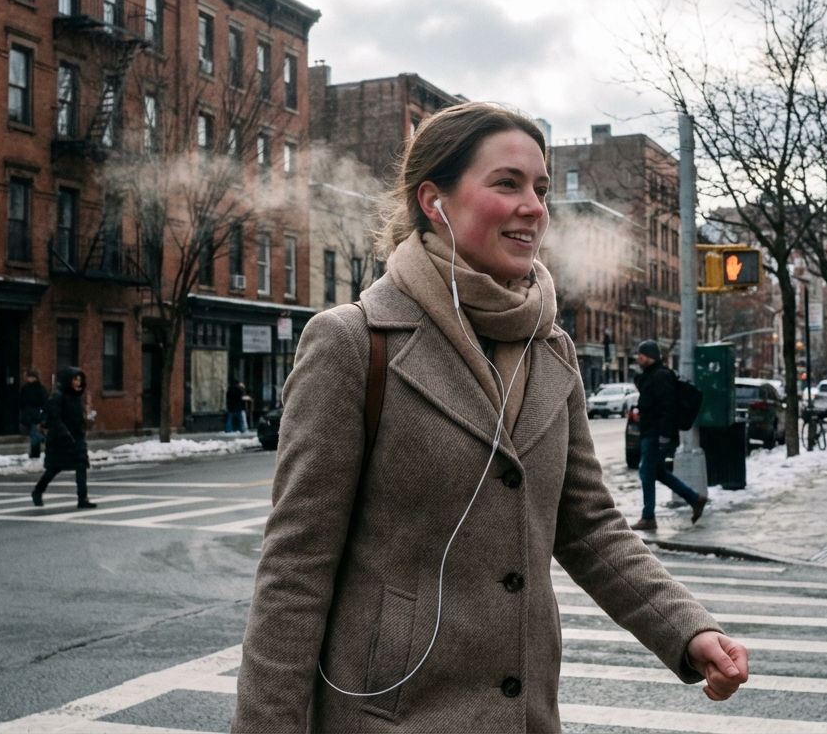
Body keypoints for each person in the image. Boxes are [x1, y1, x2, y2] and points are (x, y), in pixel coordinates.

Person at [232, 103, 747, 732]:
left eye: (540, 189)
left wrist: (686, 628)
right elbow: (295, 571)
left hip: (525, 716)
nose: (533, 206)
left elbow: (588, 526)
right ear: (434, 201)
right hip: (389, 718)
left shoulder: (549, 347)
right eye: (506, 184)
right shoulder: (352, 342)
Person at [632, 339, 707, 530]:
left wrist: (664, 436)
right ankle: (694, 498)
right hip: (651, 432)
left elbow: (667, 408)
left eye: (641, 355)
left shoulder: (661, 376)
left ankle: (648, 517)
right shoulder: (650, 376)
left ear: (651, 357)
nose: (638, 358)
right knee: (657, 471)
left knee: (646, 472)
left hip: (656, 434)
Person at [30, 367, 96, 509]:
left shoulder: (77, 396)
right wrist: (64, 433)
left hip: (76, 437)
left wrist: (86, 422)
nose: (78, 383)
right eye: (75, 379)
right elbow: (55, 417)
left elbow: (76, 417)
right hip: (60, 439)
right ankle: (38, 490)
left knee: (81, 466)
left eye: (80, 379)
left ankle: (82, 498)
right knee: (54, 468)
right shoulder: (58, 396)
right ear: (68, 380)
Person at [18, 370, 49, 459]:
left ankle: (35, 454)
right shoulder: (28, 388)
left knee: (35, 435)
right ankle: (37, 453)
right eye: (29, 377)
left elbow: (44, 402)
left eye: (32, 377)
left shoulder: (37, 388)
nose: (30, 379)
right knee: (37, 434)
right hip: (33, 415)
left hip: (35, 415)